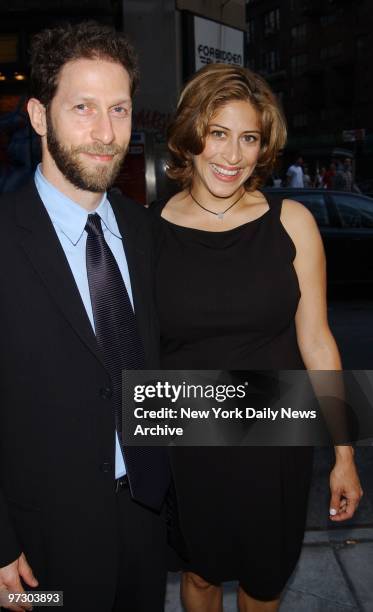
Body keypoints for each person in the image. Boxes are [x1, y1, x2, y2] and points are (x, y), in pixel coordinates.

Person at [151, 63, 362, 612]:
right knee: (198, 576)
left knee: (264, 583)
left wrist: (344, 452)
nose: (232, 154)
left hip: (276, 438)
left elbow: (317, 340)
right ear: (190, 135)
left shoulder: (291, 221)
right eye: (218, 133)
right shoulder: (146, 229)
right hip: (185, 433)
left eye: (248, 138)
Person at [0, 22, 170, 612]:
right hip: (43, 548)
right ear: (39, 116)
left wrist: (323, 417)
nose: (106, 134)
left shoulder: (146, 233)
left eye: (119, 109)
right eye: (83, 108)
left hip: (146, 521)